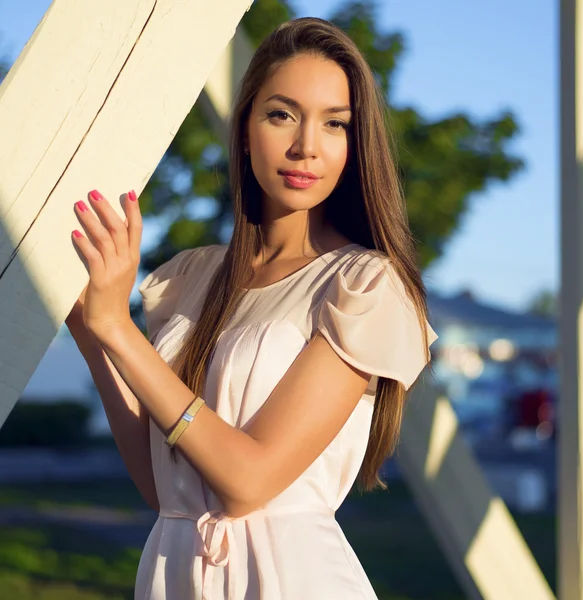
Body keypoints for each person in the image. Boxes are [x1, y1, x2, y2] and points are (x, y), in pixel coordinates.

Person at [66, 16, 437, 600]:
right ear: (244, 129)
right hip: (172, 575)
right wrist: (94, 333)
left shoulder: (363, 288)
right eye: (281, 114)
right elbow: (165, 485)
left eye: (334, 124)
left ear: (353, 143)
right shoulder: (191, 277)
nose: (305, 147)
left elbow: (246, 480)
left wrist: (119, 328)